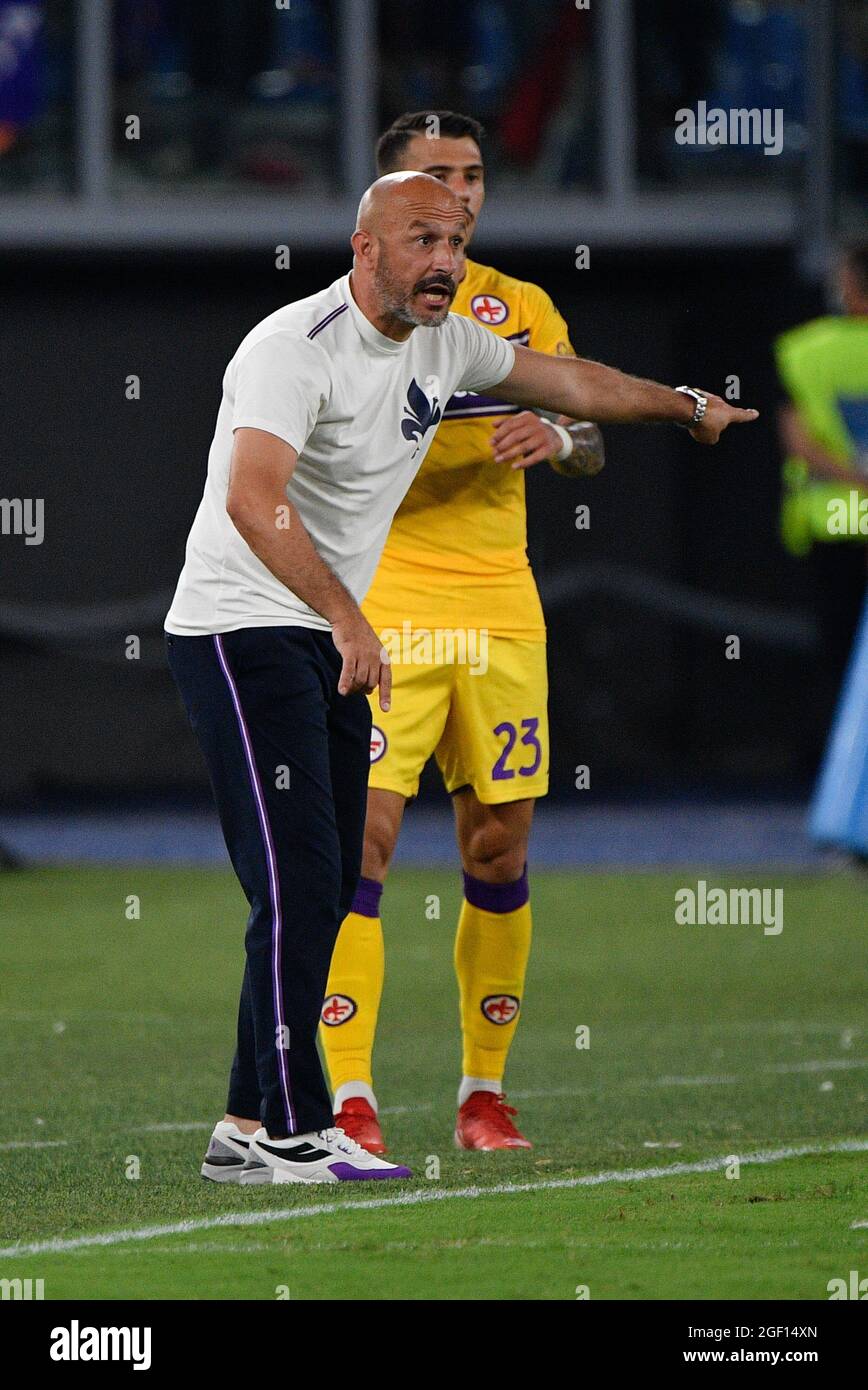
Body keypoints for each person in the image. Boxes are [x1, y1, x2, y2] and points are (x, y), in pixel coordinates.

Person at [165, 170, 756, 1186]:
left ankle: (242, 1121)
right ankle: (297, 1127)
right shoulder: (287, 348)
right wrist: (350, 615)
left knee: (315, 883)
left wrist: (683, 405)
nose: (443, 259)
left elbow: (574, 386)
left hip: (322, 638)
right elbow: (249, 500)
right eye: (419, 238)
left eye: (453, 239)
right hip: (243, 629)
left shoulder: (446, 343)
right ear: (365, 248)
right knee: (306, 883)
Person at [321, 110, 603, 1154]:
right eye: (437, 174)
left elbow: (587, 441)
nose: (464, 191)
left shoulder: (521, 307)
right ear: (386, 199)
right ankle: (349, 1097)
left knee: (499, 843)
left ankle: (483, 1095)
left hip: (498, 607)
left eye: (474, 173)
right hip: (388, 598)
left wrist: (559, 432)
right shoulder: (344, 313)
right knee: (364, 839)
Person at [776, 244, 868, 743]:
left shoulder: (805, 350)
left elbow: (800, 445)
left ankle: (846, 779)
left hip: (834, 520)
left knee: (841, 656)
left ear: (850, 287)